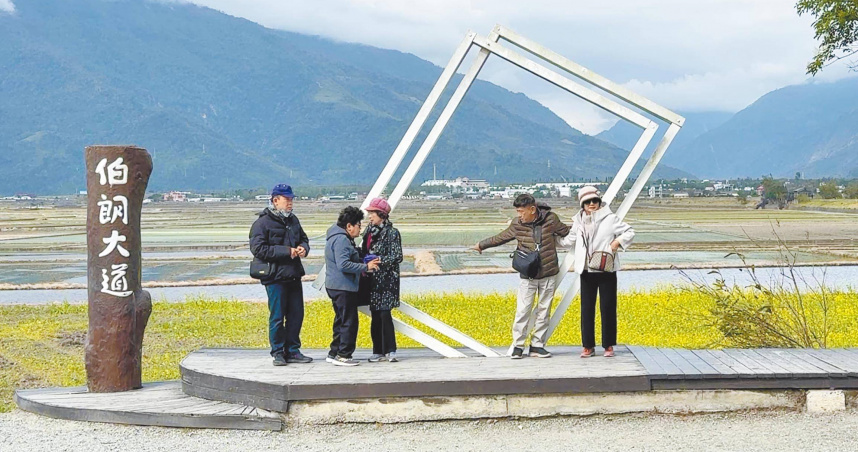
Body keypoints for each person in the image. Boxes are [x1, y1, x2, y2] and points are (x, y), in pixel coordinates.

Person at [471, 193, 570, 359]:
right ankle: (518, 345)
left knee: (544, 311)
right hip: (528, 275)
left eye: (521, 211)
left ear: (532, 209)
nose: (519, 215)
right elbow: (501, 237)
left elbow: (566, 231)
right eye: (517, 211)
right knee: (523, 310)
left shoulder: (551, 219)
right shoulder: (517, 224)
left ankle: (537, 345)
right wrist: (482, 245)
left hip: (548, 273)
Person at [559, 186, 635, 358]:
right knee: (586, 309)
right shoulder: (578, 221)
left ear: (599, 202)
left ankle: (608, 345)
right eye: (587, 202)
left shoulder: (610, 218)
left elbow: (629, 232)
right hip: (586, 269)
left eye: (595, 201)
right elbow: (569, 240)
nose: (592, 204)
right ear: (582, 204)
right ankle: (588, 346)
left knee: (608, 307)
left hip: (606, 268)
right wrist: (551, 239)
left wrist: (616, 243)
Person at [249, 184, 312, 366]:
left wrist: (303, 248)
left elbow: (304, 239)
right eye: (287, 199)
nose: (290, 203)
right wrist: (287, 251)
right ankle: (277, 352)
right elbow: (258, 249)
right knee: (277, 316)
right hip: (274, 277)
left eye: (292, 199)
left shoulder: (293, 220)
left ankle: (293, 351)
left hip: (293, 275)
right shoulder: (262, 223)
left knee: (296, 315)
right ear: (275, 200)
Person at [324, 206, 380, 367]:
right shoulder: (342, 240)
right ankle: (344, 355)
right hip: (343, 286)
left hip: (335, 285)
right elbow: (343, 264)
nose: (359, 229)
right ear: (349, 226)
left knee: (340, 320)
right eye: (358, 226)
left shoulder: (335, 237)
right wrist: (366, 267)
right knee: (349, 322)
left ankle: (334, 352)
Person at [360, 198, 403, 363]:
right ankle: (377, 351)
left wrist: (379, 260)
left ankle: (391, 350)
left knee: (385, 314)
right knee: (376, 315)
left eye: (372, 213)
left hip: (387, 281)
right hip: (372, 280)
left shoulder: (392, 233)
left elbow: (397, 256)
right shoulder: (369, 232)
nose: (370, 216)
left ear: (382, 215)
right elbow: (363, 250)